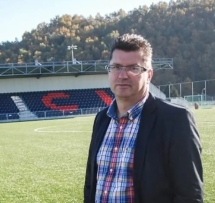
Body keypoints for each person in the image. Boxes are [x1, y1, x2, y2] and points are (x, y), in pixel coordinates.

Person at [84, 34, 203, 203]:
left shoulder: (175, 120)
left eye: (134, 68)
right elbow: (91, 184)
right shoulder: (102, 119)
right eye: (116, 67)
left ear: (149, 75)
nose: (123, 75)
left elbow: (189, 194)